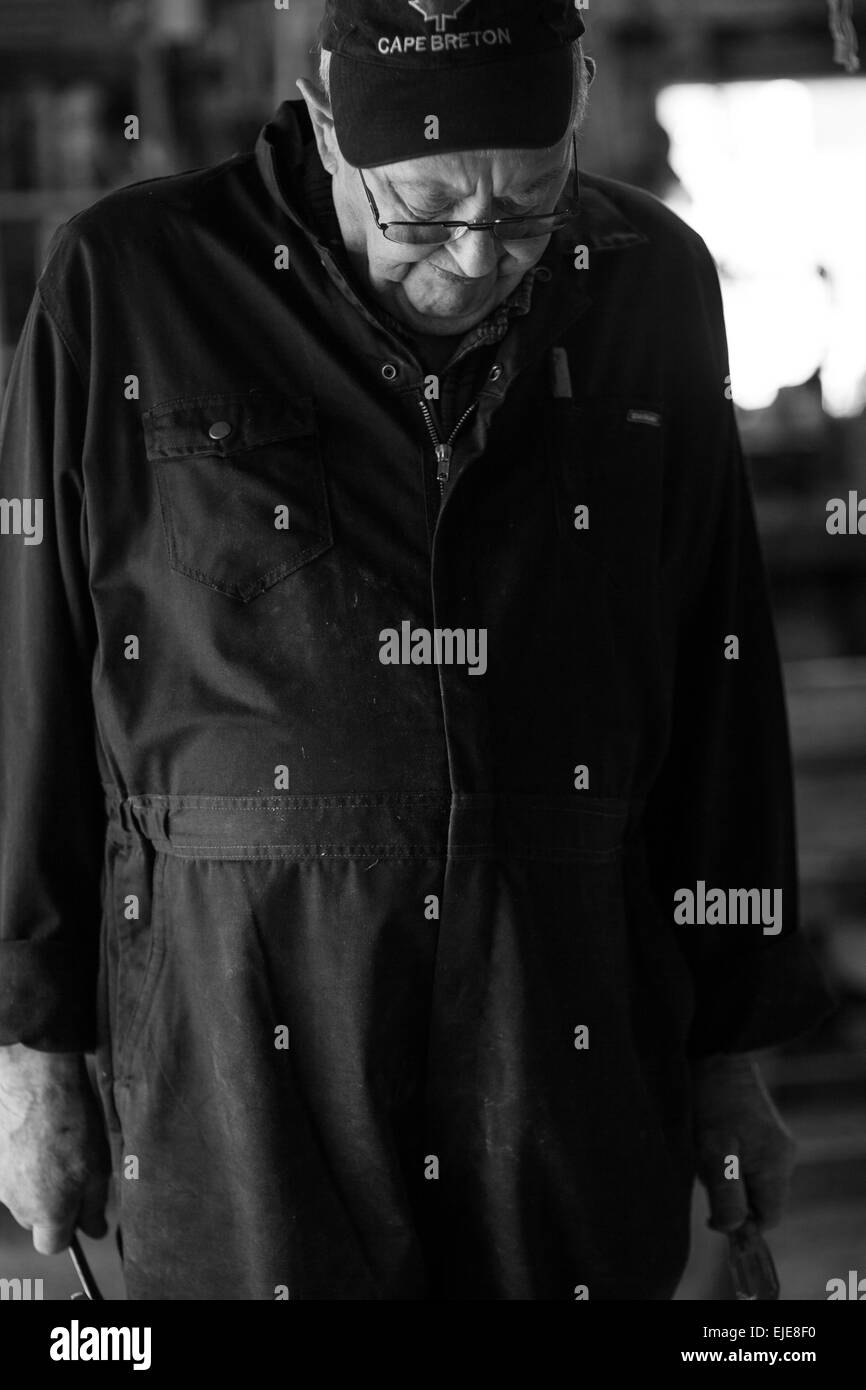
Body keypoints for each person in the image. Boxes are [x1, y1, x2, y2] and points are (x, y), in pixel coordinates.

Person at [0, 0, 832, 1300]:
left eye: (527, 206)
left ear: (583, 104)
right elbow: (32, 674)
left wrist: (729, 1053)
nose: (479, 255)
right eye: (425, 209)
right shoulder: (130, 279)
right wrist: (29, 1051)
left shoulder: (648, 279)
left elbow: (718, 677)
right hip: (237, 1014)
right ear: (327, 124)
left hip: (562, 995)